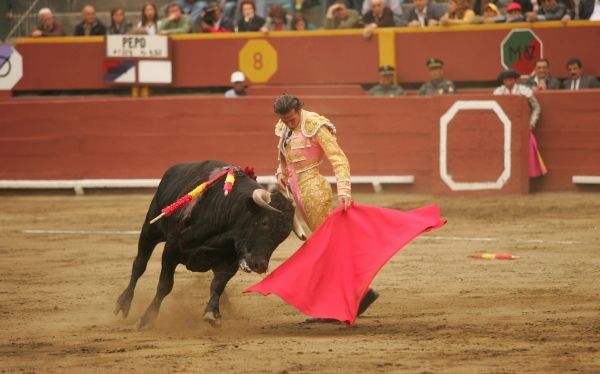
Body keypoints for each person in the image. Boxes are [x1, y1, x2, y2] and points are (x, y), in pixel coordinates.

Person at [272, 94, 379, 320]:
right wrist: (281, 172)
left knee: (325, 250)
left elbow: (339, 159)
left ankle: (346, 299)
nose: (289, 124)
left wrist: (344, 191)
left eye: (292, 119)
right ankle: (358, 294)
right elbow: (283, 156)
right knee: (326, 250)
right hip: (298, 193)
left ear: (299, 109)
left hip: (315, 192)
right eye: (285, 120)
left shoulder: (315, 125)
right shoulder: (284, 127)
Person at [493, 69, 546, 178]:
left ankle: (528, 176)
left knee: (528, 149)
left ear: (515, 80)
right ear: (503, 81)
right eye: (506, 80)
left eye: (511, 79)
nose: (508, 82)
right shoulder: (498, 92)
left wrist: (531, 123)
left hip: (522, 127)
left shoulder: (524, 91)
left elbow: (536, 107)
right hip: (505, 129)